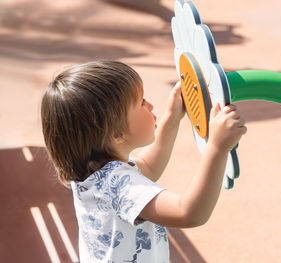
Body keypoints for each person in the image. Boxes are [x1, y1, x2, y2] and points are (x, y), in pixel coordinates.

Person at [41, 60, 247, 263]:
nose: (150, 105)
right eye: (141, 103)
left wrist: (171, 117)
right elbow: (190, 212)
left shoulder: (96, 172)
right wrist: (218, 147)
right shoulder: (120, 186)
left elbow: (147, 167)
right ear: (116, 134)